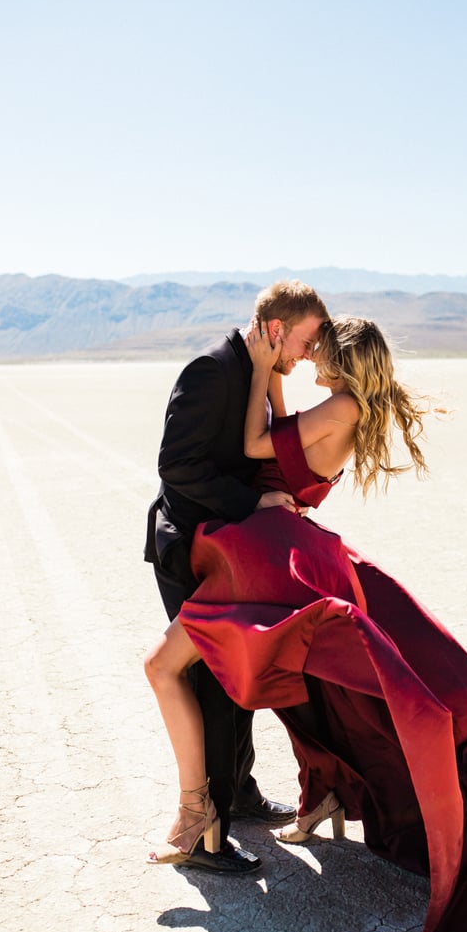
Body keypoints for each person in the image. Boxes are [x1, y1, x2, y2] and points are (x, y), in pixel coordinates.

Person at [145, 316, 467, 932]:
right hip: (281, 550)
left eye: (317, 350)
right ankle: (315, 791)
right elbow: (280, 439)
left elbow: (261, 446)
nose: (308, 358)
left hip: (271, 554)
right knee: (313, 684)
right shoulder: (341, 405)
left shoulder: (339, 404)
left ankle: (207, 808)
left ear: (340, 358)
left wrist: (262, 367)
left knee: (200, 669)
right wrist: (274, 377)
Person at [144, 279, 329, 874]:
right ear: (276, 330)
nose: (305, 355)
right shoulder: (211, 371)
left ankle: (239, 794)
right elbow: (176, 466)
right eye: (303, 341)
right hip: (190, 551)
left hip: (230, 551)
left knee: (239, 676)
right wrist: (253, 507)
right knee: (214, 686)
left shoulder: (252, 374)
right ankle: (205, 833)